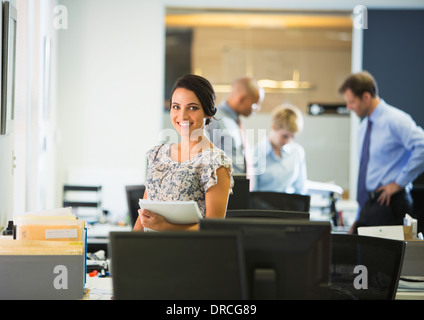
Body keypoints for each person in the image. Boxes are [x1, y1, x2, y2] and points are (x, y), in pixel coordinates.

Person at [133, 75, 234, 232]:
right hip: (150, 251)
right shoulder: (158, 154)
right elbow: (143, 219)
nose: (182, 116)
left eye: (192, 107)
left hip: (188, 252)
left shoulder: (215, 162)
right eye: (176, 107)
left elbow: (214, 228)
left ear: (207, 112)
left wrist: (164, 226)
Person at [338, 71, 424, 234]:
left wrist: (398, 183)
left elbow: (422, 146)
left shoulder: (395, 120)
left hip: (391, 203)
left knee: (384, 259)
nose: (348, 107)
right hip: (371, 205)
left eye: (351, 102)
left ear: (366, 97)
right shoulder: (363, 128)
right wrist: (360, 216)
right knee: (362, 256)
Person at [206, 76, 264, 174]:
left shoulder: (236, 122)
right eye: (254, 104)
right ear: (241, 99)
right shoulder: (215, 119)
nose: (257, 109)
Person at [252, 104, 307, 194]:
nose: (288, 141)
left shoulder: (297, 152)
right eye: (285, 136)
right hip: (262, 207)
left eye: (292, 137)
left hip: (289, 206)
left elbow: (301, 189)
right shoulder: (255, 153)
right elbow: (252, 191)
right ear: (274, 127)